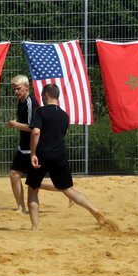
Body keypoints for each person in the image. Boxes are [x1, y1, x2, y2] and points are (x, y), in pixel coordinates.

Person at [26, 83, 117, 231]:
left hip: (43, 153)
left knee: (32, 189)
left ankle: (35, 228)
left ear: (46, 95)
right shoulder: (64, 115)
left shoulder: (40, 112)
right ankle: (94, 210)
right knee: (69, 190)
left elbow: (36, 132)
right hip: (60, 154)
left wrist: (33, 153)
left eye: (43, 96)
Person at [7, 75, 64, 214]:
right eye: (14, 89)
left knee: (34, 182)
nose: (16, 92)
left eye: (18, 89)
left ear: (27, 87)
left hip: (33, 148)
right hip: (23, 147)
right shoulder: (21, 101)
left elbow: (33, 127)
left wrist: (15, 125)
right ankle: (21, 208)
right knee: (15, 175)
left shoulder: (30, 102)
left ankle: (64, 188)